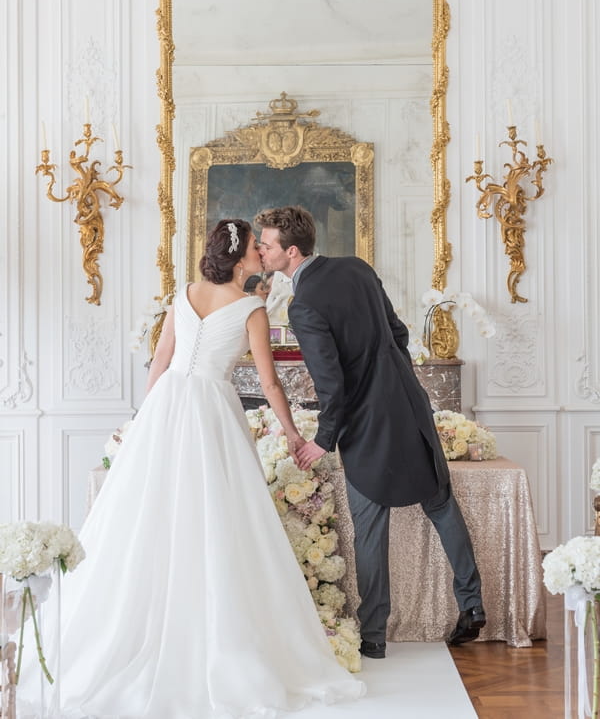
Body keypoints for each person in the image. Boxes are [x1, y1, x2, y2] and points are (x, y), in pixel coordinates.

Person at [18, 219, 364, 718]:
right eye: (253, 248)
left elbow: (159, 364)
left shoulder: (182, 294)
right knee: (217, 519)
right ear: (241, 257)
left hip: (167, 408)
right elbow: (269, 385)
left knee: (149, 518)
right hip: (213, 414)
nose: (258, 255)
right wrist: (290, 433)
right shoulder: (252, 307)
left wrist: (146, 423)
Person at [255, 206, 486, 659]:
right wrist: (389, 374)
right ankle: (473, 606)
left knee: (370, 525)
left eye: (267, 243)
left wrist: (324, 438)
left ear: (292, 251)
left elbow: (330, 381)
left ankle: (374, 636)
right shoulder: (358, 268)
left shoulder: (303, 305)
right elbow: (397, 332)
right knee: (440, 503)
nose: (262, 250)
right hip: (408, 401)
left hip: (365, 420)